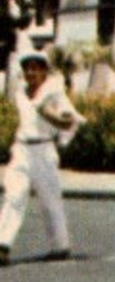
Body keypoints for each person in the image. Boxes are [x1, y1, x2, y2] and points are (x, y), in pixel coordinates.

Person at [1, 51, 76, 265]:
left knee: (50, 200)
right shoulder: (20, 93)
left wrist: (51, 116)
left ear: (44, 71)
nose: (31, 73)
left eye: (36, 68)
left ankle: (60, 245)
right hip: (22, 149)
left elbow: (70, 121)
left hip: (44, 150)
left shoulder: (54, 93)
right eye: (27, 68)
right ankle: (3, 244)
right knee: (13, 195)